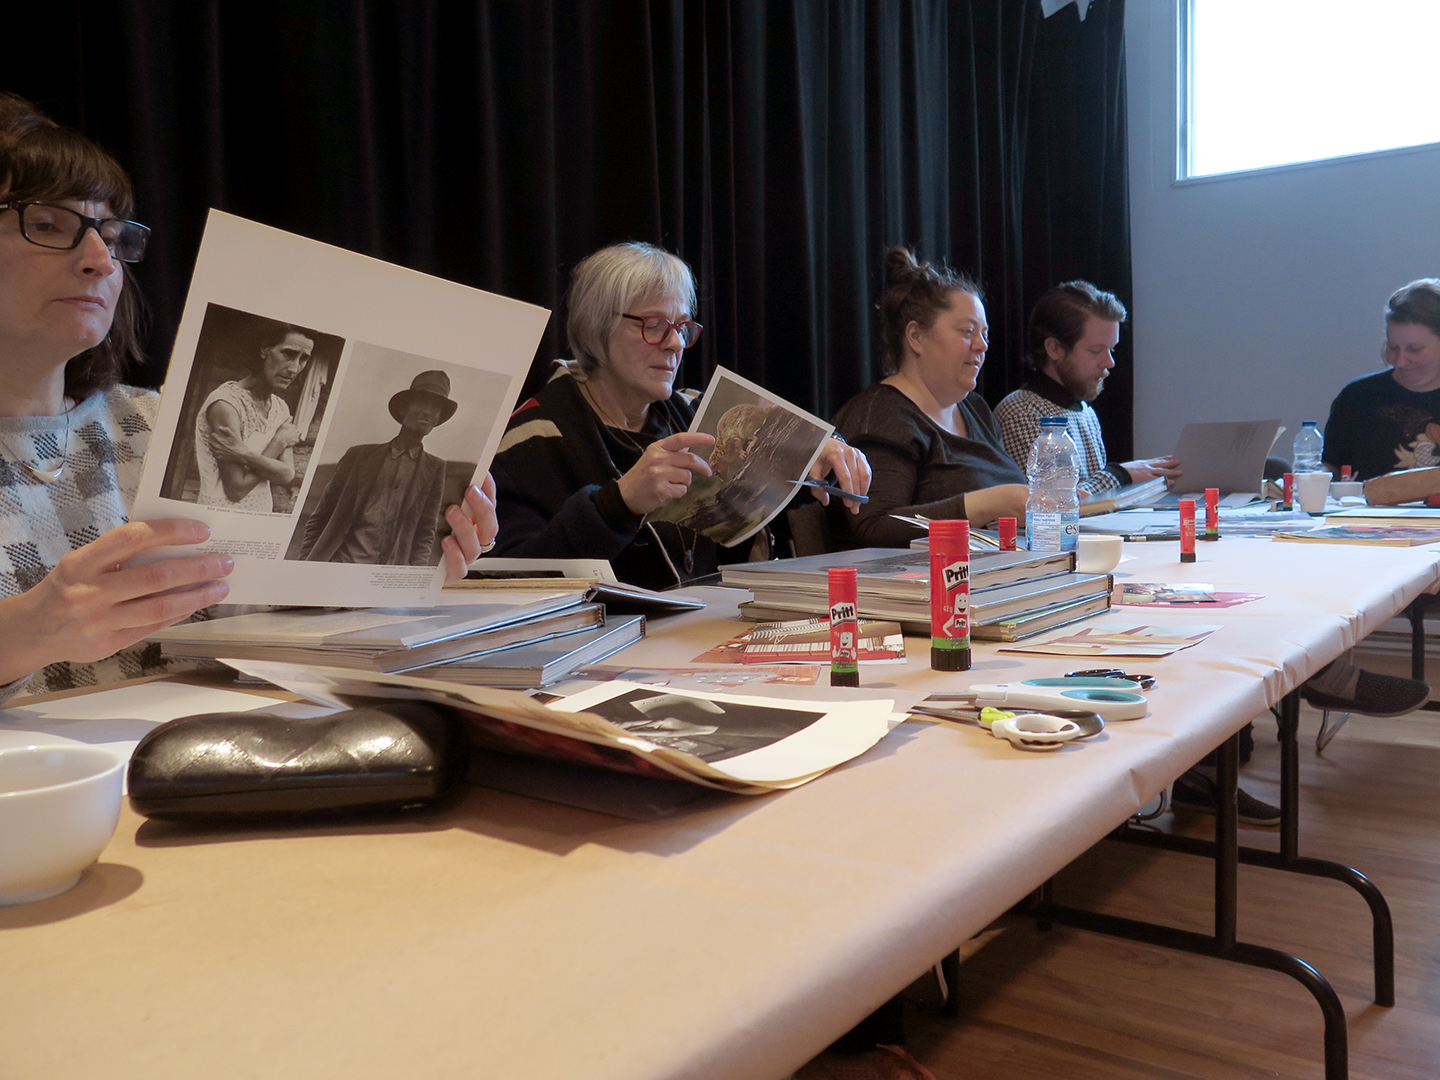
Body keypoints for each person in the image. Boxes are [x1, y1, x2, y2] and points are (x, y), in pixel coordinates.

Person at [0, 94, 494, 702]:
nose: (100, 260)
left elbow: (266, 614)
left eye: (110, 234)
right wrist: (26, 632)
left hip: (217, 759)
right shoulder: (215, 412)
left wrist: (401, 579)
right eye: (47, 225)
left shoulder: (151, 421)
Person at [489, 241, 870, 590]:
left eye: (682, 328)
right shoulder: (533, 436)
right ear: (596, 326)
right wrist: (617, 504)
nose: (674, 344)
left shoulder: (696, 412)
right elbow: (507, 580)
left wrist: (821, 453)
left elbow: (760, 493)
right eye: (653, 326)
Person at [830, 247, 1027, 548]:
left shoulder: (975, 409)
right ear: (916, 337)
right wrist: (989, 504)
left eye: (985, 334)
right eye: (967, 331)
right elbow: (873, 528)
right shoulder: (883, 417)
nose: (981, 345)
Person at [994, 281, 1181, 496]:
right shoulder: (1021, 412)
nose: (1109, 362)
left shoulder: (1085, 412)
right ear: (1054, 348)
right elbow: (1049, 501)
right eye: (1095, 350)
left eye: (1111, 349)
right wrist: (1120, 475)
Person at [299, 369, 458, 566]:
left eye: (436, 407)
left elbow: (425, 532)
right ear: (405, 408)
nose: (428, 411)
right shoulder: (358, 456)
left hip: (383, 580)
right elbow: (321, 516)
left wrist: (411, 578)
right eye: (423, 402)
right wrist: (305, 563)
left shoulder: (435, 468)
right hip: (340, 564)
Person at [1323, 278, 1440, 480]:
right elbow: (1332, 472)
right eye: (1393, 347)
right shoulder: (1358, 396)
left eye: (1415, 349)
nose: (1401, 361)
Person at [195, 322, 309, 511]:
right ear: (265, 349)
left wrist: (241, 452)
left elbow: (287, 474)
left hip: (261, 511)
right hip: (219, 514)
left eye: (303, 359)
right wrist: (277, 443)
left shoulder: (281, 408)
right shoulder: (225, 404)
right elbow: (236, 489)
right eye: (288, 354)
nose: (294, 368)